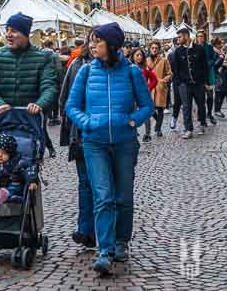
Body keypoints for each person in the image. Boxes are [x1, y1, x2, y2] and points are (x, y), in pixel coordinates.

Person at [65, 22, 154, 276]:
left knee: (123, 196)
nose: (92, 45)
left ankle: (121, 241)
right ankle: (104, 250)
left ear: (112, 45)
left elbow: (147, 106)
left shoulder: (132, 72)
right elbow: (72, 107)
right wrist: (87, 123)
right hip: (95, 143)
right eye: (91, 41)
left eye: (98, 41)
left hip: (125, 142)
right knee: (102, 195)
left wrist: (132, 120)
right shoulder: (85, 71)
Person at [0, 13, 58, 127]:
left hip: (30, 118)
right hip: (2, 117)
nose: (8, 35)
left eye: (14, 31)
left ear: (26, 34)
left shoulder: (44, 57)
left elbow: (49, 86)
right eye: (7, 30)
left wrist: (39, 104)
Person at [58, 42, 95, 249]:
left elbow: (64, 100)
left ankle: (96, 230)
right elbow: (65, 100)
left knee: (98, 185)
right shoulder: (76, 65)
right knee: (85, 182)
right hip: (80, 134)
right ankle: (85, 229)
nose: (94, 44)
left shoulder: (115, 66)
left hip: (99, 133)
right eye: (92, 39)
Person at [171, 27, 209, 140]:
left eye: (180, 37)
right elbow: (175, 69)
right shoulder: (177, 51)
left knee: (201, 104)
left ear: (186, 36)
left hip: (198, 83)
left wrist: (205, 82)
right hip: (184, 84)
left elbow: (205, 66)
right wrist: (179, 83)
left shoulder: (199, 49)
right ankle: (188, 129)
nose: (178, 39)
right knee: (186, 107)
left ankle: (202, 123)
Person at [129, 49, 157, 143]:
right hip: (131, 95)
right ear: (133, 56)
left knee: (145, 114)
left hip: (143, 95)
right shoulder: (128, 68)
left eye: (141, 55)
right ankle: (133, 132)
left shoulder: (145, 68)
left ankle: (147, 134)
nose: (139, 57)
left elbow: (154, 80)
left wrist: (148, 88)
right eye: (137, 55)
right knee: (132, 114)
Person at [148, 40, 171, 138]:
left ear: (159, 49)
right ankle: (158, 123)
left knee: (160, 108)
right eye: (152, 48)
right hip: (149, 88)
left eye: (156, 48)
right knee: (150, 109)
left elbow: (169, 73)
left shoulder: (164, 60)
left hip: (160, 87)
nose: (154, 50)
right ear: (150, 49)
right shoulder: (146, 60)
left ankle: (158, 129)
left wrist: (163, 80)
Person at [196, 30, 218, 125]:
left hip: (208, 74)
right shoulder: (194, 47)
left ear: (204, 37)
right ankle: (202, 115)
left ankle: (209, 114)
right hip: (199, 75)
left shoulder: (208, 46)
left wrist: (208, 64)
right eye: (198, 36)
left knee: (210, 96)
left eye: (201, 36)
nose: (200, 38)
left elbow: (213, 58)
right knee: (200, 98)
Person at [42, 40, 64, 126]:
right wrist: (61, 80)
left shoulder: (39, 54)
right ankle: (54, 118)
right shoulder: (54, 55)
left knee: (46, 98)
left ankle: (48, 116)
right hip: (53, 81)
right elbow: (58, 69)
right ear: (51, 45)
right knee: (54, 100)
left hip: (42, 81)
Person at [168, 36, 182, 130]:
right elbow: (170, 69)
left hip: (187, 81)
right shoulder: (171, 55)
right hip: (177, 81)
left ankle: (189, 125)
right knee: (177, 102)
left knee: (187, 103)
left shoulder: (187, 51)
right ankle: (174, 118)